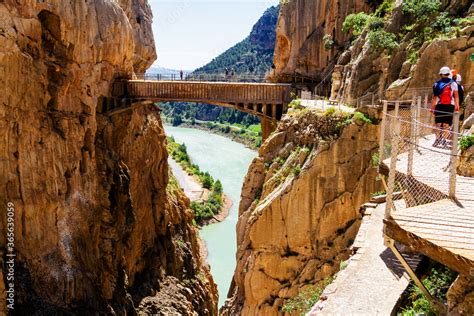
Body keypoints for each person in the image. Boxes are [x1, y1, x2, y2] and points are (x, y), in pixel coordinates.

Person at [431, 66, 460, 147]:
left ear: (440, 74)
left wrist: (432, 108)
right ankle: (444, 140)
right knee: (446, 124)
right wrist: (457, 106)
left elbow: (434, 98)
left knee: (438, 124)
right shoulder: (453, 83)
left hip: (439, 105)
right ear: (448, 74)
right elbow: (456, 96)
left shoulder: (436, 84)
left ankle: (437, 140)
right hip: (450, 106)